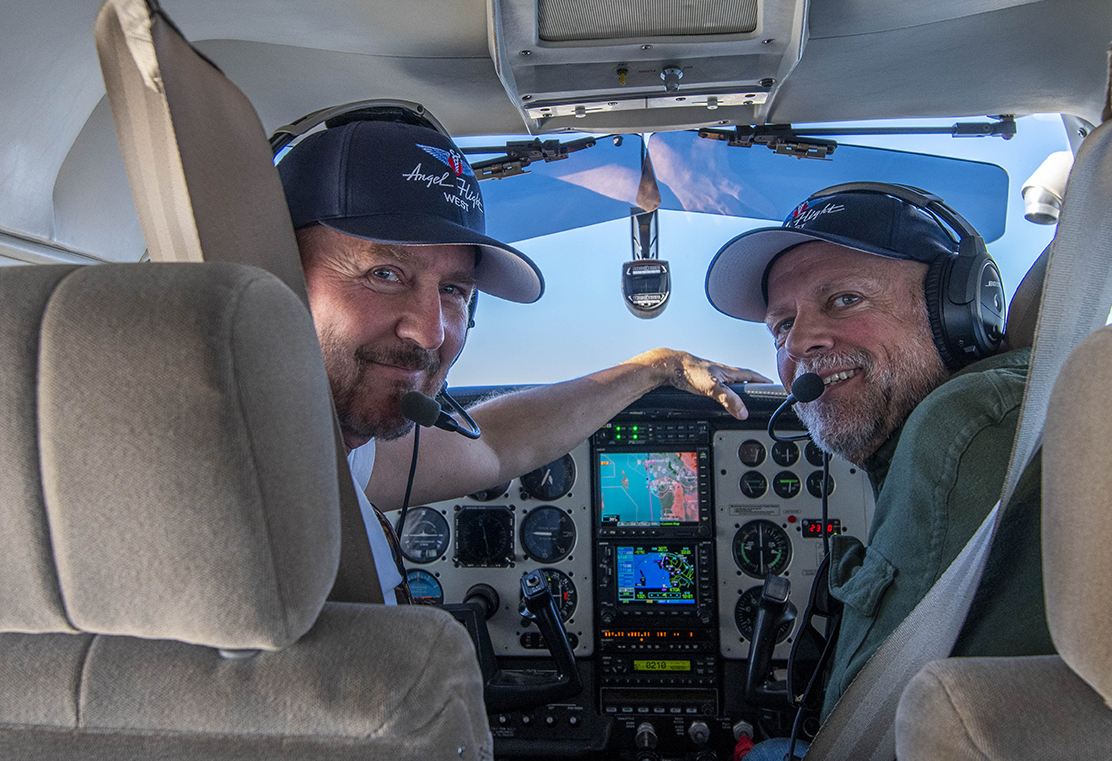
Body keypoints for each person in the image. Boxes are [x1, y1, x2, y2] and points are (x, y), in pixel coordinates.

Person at [276, 112, 768, 603]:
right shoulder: (231, 474)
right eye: (384, 274)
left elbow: (496, 445)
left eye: (453, 290)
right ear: (276, 274)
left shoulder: (339, 455)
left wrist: (657, 365)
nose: (429, 332)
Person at [704, 185, 1054, 758]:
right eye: (781, 324)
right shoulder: (1012, 410)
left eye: (844, 300)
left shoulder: (965, 429)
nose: (800, 343)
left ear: (960, 308)